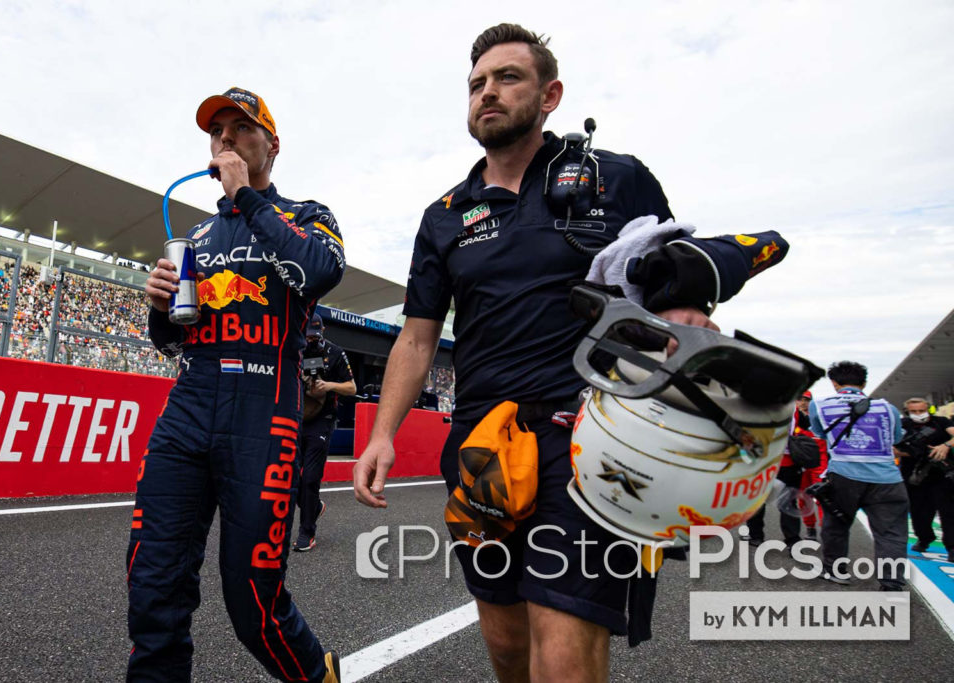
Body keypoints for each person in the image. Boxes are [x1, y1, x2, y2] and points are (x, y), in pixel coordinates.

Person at [352, 23, 770, 682]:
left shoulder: (618, 179)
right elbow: (417, 335)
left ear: (550, 96)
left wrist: (684, 310)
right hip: (482, 442)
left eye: (507, 77)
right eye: (476, 84)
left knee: (564, 643)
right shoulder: (444, 215)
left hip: (588, 434)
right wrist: (382, 434)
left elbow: (668, 278)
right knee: (506, 638)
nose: (488, 93)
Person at [128, 87, 343, 683]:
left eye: (241, 128)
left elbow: (318, 273)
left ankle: (318, 675)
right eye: (216, 131)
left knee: (253, 601)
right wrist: (159, 307)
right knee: (153, 582)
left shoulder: (308, 216)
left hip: (264, 410)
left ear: (272, 145)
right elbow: (172, 341)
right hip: (190, 404)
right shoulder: (195, 238)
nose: (224, 139)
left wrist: (245, 195)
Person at [809, 361, 908, 590]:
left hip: (843, 474)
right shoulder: (888, 408)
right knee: (891, 533)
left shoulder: (819, 405)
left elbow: (820, 433)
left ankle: (835, 571)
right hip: (887, 478)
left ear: (834, 383)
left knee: (836, 525)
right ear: (864, 383)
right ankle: (891, 583)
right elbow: (896, 439)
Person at [294, 313, 357, 552]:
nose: (311, 340)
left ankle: (306, 532)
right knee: (289, 475)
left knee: (310, 477)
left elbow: (352, 387)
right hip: (296, 414)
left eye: (315, 336)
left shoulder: (335, 352)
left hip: (323, 419)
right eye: (308, 336)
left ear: (323, 330)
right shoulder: (294, 349)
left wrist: (328, 385)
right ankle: (314, 506)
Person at [743, 390, 828, 547]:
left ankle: (756, 536)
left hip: (763, 463)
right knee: (788, 502)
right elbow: (810, 427)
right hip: (788, 462)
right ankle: (792, 540)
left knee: (757, 501)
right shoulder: (793, 408)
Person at [895, 397, 954, 561]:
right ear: (907, 412)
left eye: (921, 411)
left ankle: (952, 547)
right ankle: (924, 538)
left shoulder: (941, 422)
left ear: (928, 410)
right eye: (913, 411)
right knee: (919, 511)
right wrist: (907, 452)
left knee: (948, 511)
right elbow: (893, 447)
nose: (918, 414)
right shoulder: (902, 424)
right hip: (914, 475)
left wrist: (945, 446)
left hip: (942, 474)